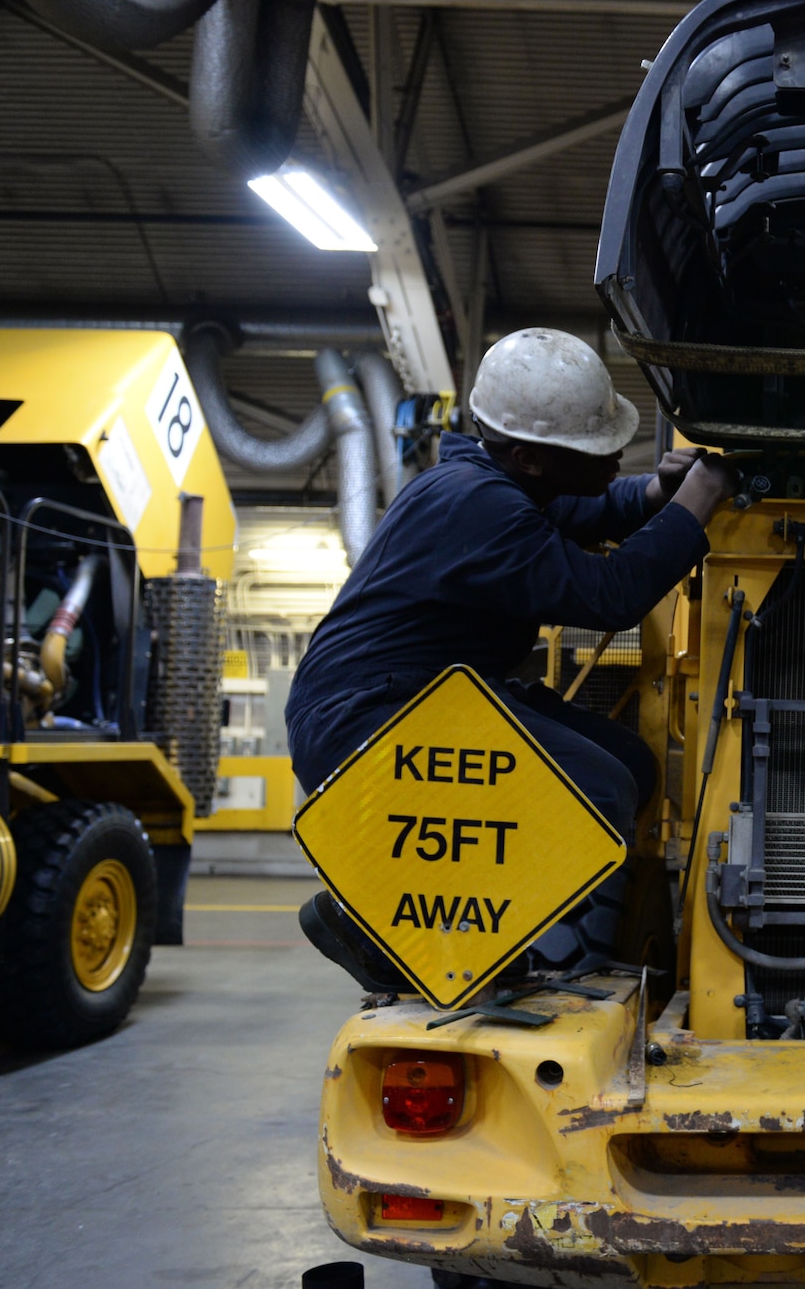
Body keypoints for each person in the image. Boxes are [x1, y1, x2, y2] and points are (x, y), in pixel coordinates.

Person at [286, 327, 738, 986]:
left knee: (632, 766)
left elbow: (587, 507)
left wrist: (652, 496)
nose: (615, 456)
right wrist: (699, 503)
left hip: (418, 695)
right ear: (530, 457)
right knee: (596, 791)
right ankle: (398, 927)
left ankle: (429, 923)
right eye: (596, 448)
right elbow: (610, 594)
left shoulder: (493, 483)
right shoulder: (481, 510)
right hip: (369, 717)